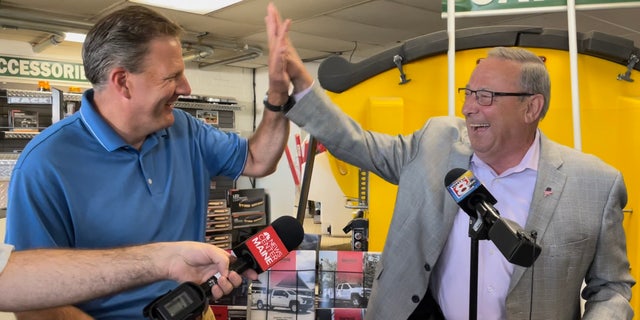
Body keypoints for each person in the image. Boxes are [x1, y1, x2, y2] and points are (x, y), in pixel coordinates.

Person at [265, 3, 634, 320]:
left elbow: (612, 288)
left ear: (531, 107)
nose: (468, 107)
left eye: (486, 96)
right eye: (469, 93)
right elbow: (358, 144)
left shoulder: (594, 185)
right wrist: (301, 84)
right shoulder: (436, 143)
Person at [5, 5, 289, 319]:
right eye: (173, 77)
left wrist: (277, 94)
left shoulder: (184, 129)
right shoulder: (45, 163)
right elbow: (33, 302)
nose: (186, 88)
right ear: (123, 81)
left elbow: (257, 159)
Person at [0, 241, 257, 312]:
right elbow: (19, 289)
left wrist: (167, 260)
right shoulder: (43, 162)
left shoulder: (186, 132)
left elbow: (9, 276)